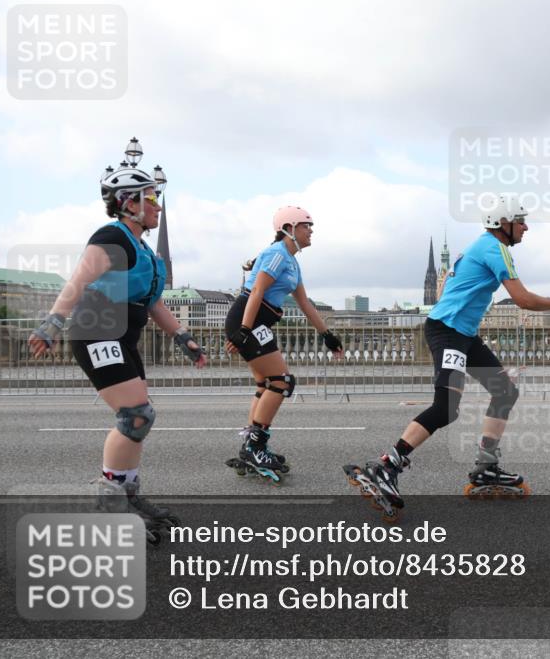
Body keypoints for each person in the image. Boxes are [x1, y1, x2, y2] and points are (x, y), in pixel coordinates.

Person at [344, 195, 550, 520]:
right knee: (447, 408)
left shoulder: (484, 245)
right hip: (448, 331)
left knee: (505, 391)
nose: (526, 226)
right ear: (503, 224)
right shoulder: (495, 249)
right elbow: (522, 299)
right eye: (521, 220)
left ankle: (486, 466)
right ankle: (384, 466)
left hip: (462, 334)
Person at [28, 166, 207, 540]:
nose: (158, 205)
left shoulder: (141, 247)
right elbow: (79, 280)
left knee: (139, 419)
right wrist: (52, 323)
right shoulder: (113, 236)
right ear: (130, 203)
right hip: (96, 330)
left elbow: (154, 303)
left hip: (122, 334)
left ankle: (126, 494)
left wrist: (182, 337)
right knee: (135, 415)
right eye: (152, 197)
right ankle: (111, 504)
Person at [224, 205, 344, 481]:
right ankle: (255, 446)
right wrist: (243, 329)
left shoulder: (292, 262)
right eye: (306, 225)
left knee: (266, 384)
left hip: (259, 323)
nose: (311, 230)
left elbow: (304, 303)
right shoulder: (277, 254)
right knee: (282, 381)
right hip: (251, 319)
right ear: (290, 229)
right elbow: (256, 291)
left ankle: (252, 447)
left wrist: (327, 335)